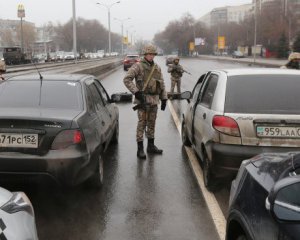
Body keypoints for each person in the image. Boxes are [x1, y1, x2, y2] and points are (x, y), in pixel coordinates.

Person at [123, 44, 168, 159]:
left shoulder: (157, 68)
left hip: (154, 100)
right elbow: (127, 79)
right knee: (142, 124)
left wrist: (164, 99)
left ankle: (151, 146)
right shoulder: (138, 66)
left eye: (153, 54)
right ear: (145, 54)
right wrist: (136, 92)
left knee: (152, 123)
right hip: (142, 100)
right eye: (149, 54)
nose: (151, 56)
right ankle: (140, 149)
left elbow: (161, 84)